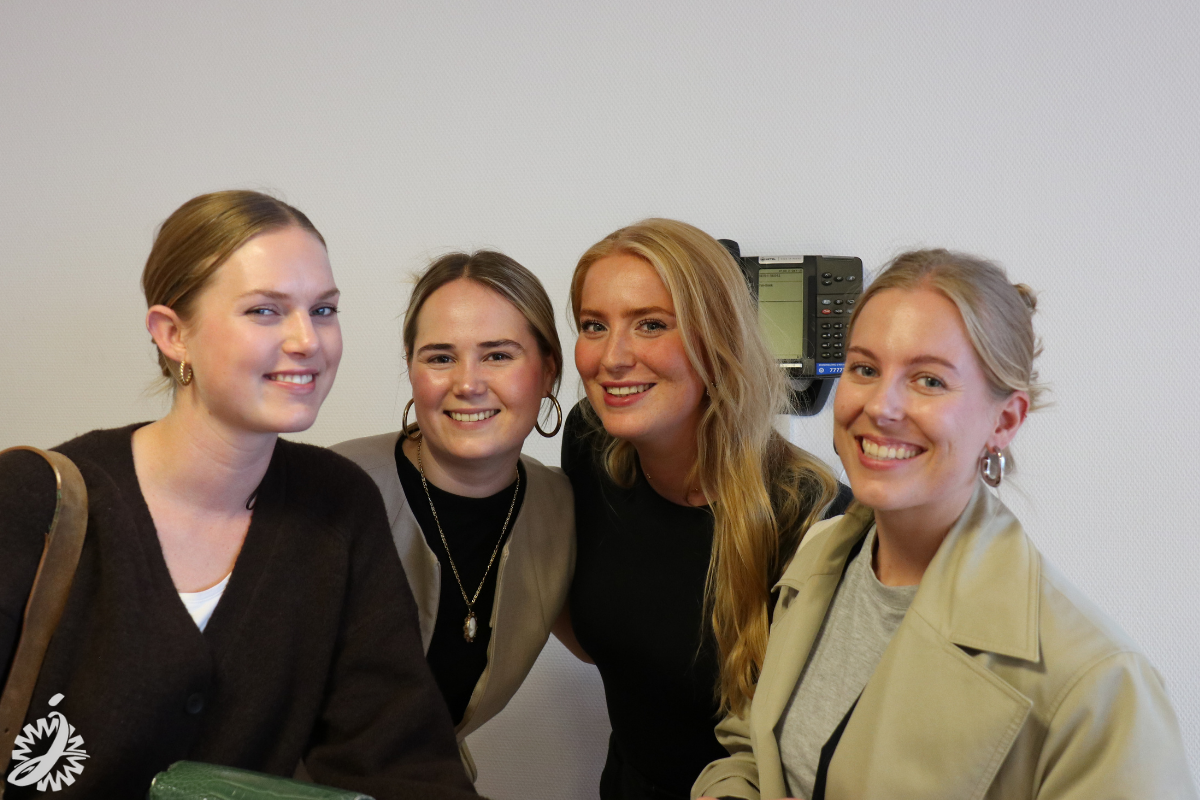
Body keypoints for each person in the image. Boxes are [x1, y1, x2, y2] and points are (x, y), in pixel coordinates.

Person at [0, 191, 478, 799]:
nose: (308, 340)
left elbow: (398, 756)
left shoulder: (336, 507)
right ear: (173, 333)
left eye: (323, 310)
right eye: (265, 311)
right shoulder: (34, 499)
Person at [693, 249, 1197, 800]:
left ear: (1004, 421)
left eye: (929, 380)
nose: (881, 406)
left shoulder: (1097, 682)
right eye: (865, 369)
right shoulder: (820, 553)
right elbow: (754, 747)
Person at [555, 219, 851, 800]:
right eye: (594, 325)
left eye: (650, 324)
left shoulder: (812, 518)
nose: (612, 356)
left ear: (718, 341)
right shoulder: (591, 441)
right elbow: (602, 624)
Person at [332, 250, 574, 781]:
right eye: (440, 357)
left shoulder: (560, 511)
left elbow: (625, 649)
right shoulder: (332, 491)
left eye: (498, 355)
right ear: (411, 370)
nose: (468, 383)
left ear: (547, 371)